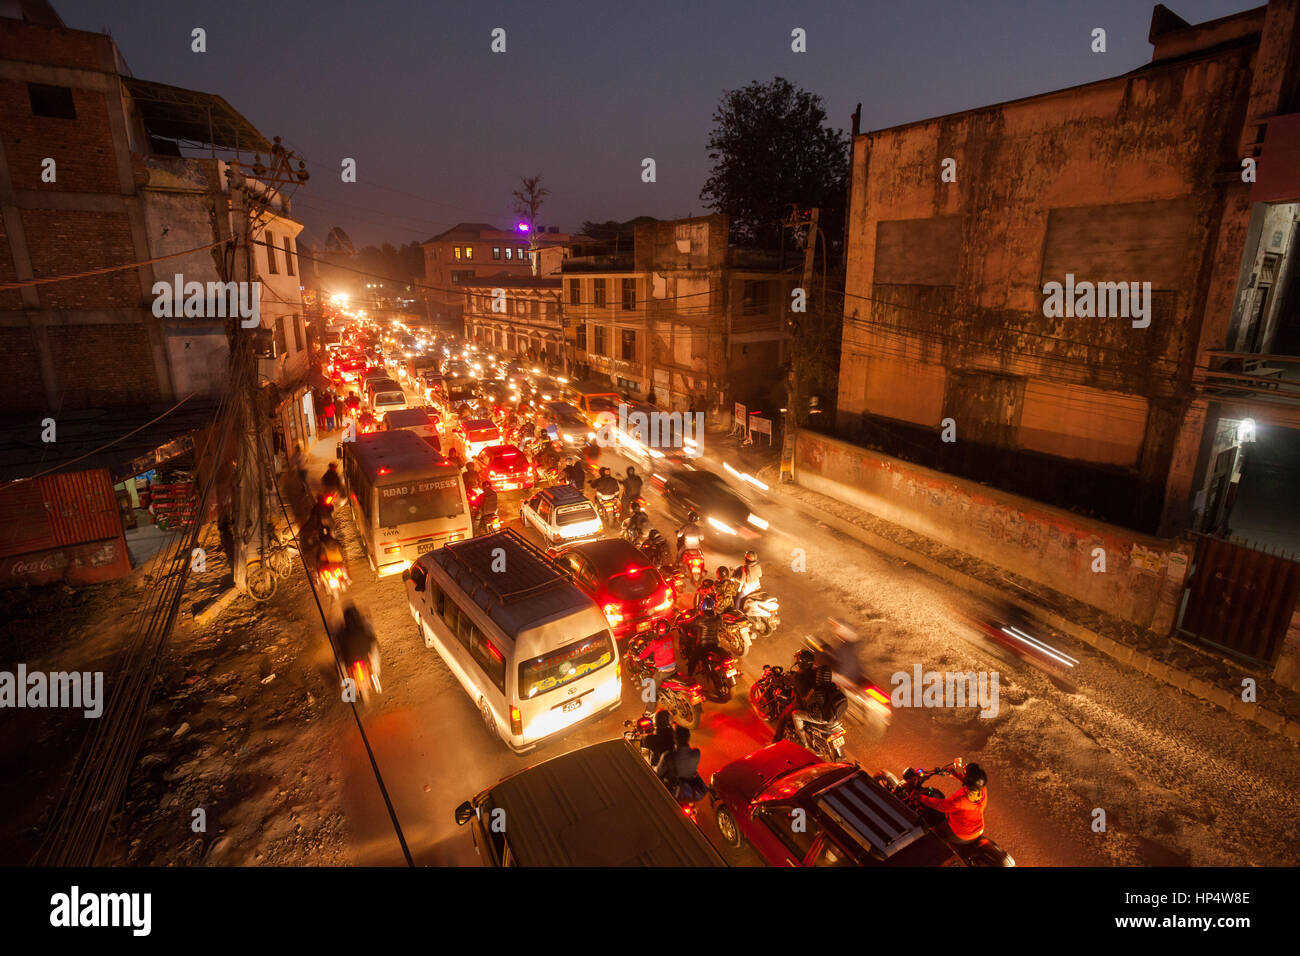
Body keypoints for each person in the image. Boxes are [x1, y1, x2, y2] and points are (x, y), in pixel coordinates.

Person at [917, 762, 989, 844]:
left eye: (964, 773)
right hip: (977, 828)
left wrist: (920, 797)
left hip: (963, 834)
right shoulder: (982, 789)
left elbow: (940, 805)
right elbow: (970, 782)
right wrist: (955, 774)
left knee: (932, 833)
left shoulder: (961, 800)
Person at [772, 649, 817, 744]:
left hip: (802, 705)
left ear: (800, 663)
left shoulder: (798, 676)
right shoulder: (815, 672)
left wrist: (776, 679)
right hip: (814, 703)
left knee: (782, 718)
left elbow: (784, 681)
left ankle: (775, 742)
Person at [633, 621, 678, 715]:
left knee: (652, 689)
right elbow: (665, 649)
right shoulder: (671, 638)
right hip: (673, 667)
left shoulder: (655, 642)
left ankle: (650, 711)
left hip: (663, 671)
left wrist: (637, 658)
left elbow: (646, 652)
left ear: (657, 630)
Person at [655, 725, 706, 803]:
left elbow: (658, 772)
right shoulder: (696, 753)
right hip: (691, 791)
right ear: (688, 738)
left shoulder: (667, 756)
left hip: (673, 792)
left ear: (675, 739)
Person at [791, 665, 835, 748]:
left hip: (820, 717)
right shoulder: (834, 687)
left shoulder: (816, 689)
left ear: (818, 676)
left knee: (795, 715)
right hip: (834, 718)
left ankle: (803, 742)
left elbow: (806, 701)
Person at [339, 604, 380, 687]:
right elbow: (371, 639)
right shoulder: (363, 625)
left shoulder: (342, 630)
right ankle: (375, 675)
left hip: (351, 659)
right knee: (375, 652)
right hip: (364, 655)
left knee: (340, 665)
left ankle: (345, 686)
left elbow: (341, 647)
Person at [681, 596, 720, 676]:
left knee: (692, 661)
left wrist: (681, 622)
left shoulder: (699, 619)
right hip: (715, 644)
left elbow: (689, 622)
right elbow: (720, 626)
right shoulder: (718, 617)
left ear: (702, 607)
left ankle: (689, 677)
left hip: (703, 646)